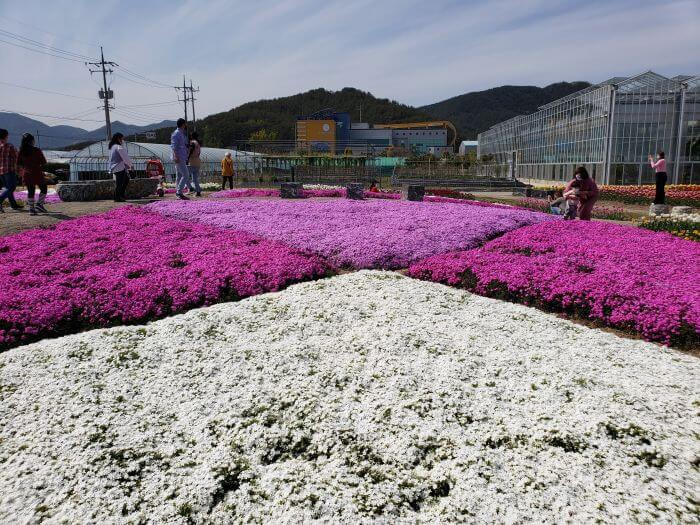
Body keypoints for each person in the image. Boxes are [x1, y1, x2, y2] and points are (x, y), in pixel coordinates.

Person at [17, 133, 47, 216]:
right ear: (31, 141)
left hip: (26, 173)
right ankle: (39, 204)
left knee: (31, 191)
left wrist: (21, 171)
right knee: (44, 188)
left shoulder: (21, 151)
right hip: (37, 172)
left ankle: (31, 209)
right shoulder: (36, 150)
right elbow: (43, 162)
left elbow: (19, 163)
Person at [0, 128, 22, 212]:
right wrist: (19, 170)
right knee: (12, 187)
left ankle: (13, 204)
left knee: (8, 188)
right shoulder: (9, 146)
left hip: (1, 172)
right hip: (9, 170)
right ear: (6, 136)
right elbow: (17, 159)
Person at [108, 133, 133, 202]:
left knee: (125, 180)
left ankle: (120, 195)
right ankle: (117, 197)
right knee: (120, 183)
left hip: (114, 167)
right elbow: (125, 158)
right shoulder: (119, 147)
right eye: (122, 138)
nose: (123, 140)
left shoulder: (113, 147)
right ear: (118, 139)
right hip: (119, 166)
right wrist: (131, 165)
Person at [171, 118, 190, 200]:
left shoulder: (180, 133)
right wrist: (176, 156)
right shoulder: (177, 133)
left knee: (179, 176)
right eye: (185, 124)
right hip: (179, 157)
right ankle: (179, 192)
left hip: (181, 157)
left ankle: (178, 192)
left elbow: (180, 145)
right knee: (186, 174)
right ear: (183, 124)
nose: (186, 125)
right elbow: (174, 146)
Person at [187, 132, 202, 196]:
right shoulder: (198, 143)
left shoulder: (192, 142)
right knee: (195, 178)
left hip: (192, 161)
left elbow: (190, 151)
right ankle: (198, 191)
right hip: (197, 161)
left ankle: (190, 188)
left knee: (184, 176)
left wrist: (187, 158)